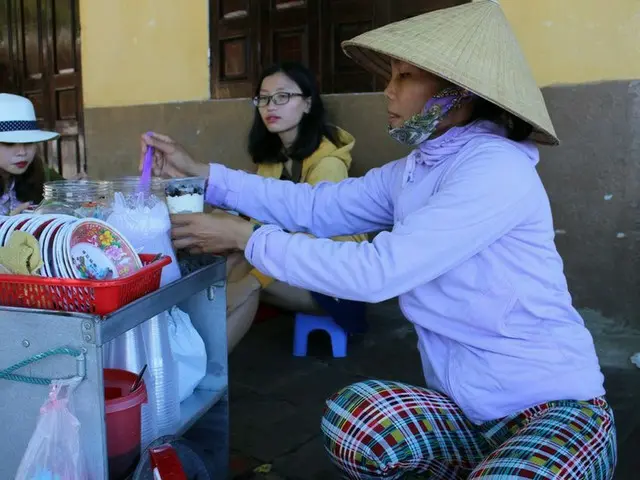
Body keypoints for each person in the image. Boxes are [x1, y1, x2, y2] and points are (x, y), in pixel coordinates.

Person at [141, 1, 616, 478]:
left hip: (553, 407)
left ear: (459, 93)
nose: (388, 91)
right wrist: (205, 175)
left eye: (406, 77)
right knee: (355, 422)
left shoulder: (495, 169)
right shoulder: (418, 168)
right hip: (468, 411)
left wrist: (246, 236)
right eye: (392, 75)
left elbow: (377, 272)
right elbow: (315, 207)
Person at [158, 61, 367, 352]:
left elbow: (323, 242)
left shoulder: (329, 165)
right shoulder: (273, 159)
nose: (271, 106)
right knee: (232, 260)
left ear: (307, 104)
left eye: (282, 97)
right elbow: (252, 214)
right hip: (292, 266)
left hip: (335, 283)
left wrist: (254, 280)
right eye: (264, 98)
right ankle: (194, 352)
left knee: (247, 276)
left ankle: (209, 370)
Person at [0, 93, 64, 216]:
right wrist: (6, 225)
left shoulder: (42, 172)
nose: (22, 152)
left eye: (29, 142)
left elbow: (69, 192)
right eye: (9, 143)